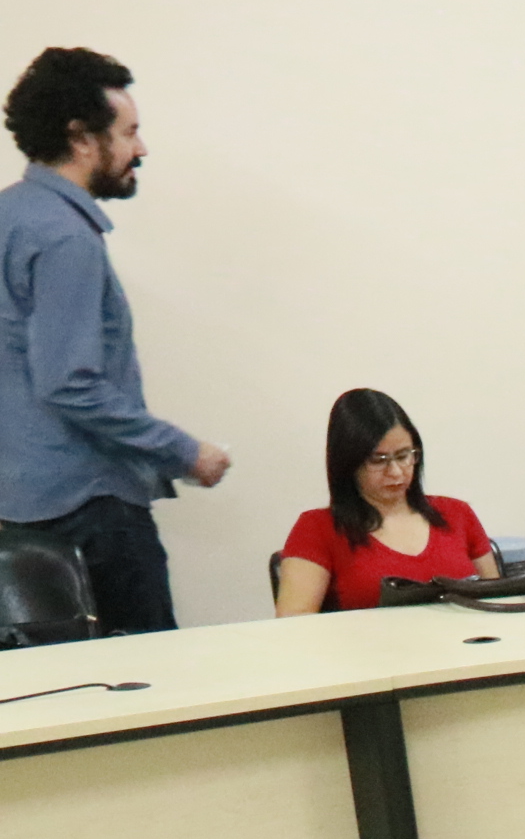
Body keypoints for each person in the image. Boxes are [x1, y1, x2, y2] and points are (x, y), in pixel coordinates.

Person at [0, 47, 227, 635]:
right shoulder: (64, 238)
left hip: (17, 515)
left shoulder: (10, 217)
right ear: (81, 138)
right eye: (128, 133)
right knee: (152, 678)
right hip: (88, 512)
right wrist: (184, 451)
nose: (140, 149)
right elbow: (68, 383)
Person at [274, 390, 495, 615]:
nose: (396, 472)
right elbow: (293, 623)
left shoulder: (457, 513)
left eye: (403, 456)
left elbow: (497, 601)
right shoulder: (316, 528)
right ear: (349, 464)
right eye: (378, 460)